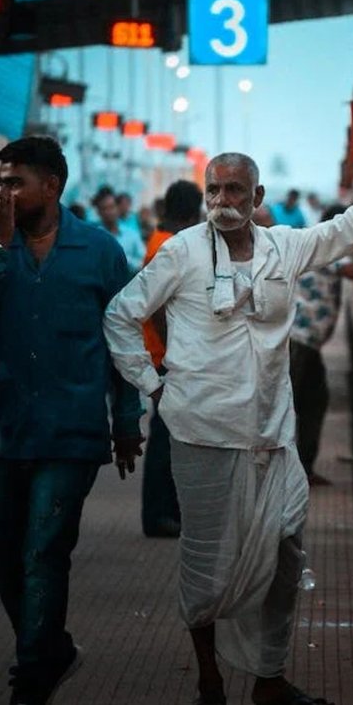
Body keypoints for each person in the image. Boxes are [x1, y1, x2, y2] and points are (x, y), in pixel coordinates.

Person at [103, 138, 353, 705]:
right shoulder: (182, 253)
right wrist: (154, 385)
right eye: (214, 189)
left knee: (286, 555)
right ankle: (210, 686)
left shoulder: (283, 249)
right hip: (201, 432)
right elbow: (121, 314)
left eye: (235, 189)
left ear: (258, 196)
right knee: (206, 562)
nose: (222, 199)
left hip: (273, 435)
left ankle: (269, 682)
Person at [0, 136, 144, 705]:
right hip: (5, 430)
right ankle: (54, 649)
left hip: (72, 431)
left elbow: (123, 340)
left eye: (13, 183)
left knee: (43, 552)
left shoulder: (100, 252)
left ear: (51, 187)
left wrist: (127, 419)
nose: (3, 192)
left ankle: (30, 679)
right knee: (6, 555)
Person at [142, 180, 203, 538]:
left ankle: (165, 512)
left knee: (169, 436)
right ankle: (159, 515)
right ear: (191, 212)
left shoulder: (160, 242)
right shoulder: (166, 248)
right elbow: (160, 309)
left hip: (163, 356)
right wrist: (178, 354)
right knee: (166, 440)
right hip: (166, 359)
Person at [290, 204, 353, 486]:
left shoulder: (316, 244)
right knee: (291, 408)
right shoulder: (324, 248)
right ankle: (284, 474)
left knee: (313, 403)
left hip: (306, 343)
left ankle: (302, 470)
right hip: (299, 342)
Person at [93, 187, 145, 276]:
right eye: (104, 208)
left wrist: (123, 259)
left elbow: (143, 261)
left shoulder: (132, 234)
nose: (108, 212)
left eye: (111, 207)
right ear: (99, 212)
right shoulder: (94, 236)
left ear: (117, 208)